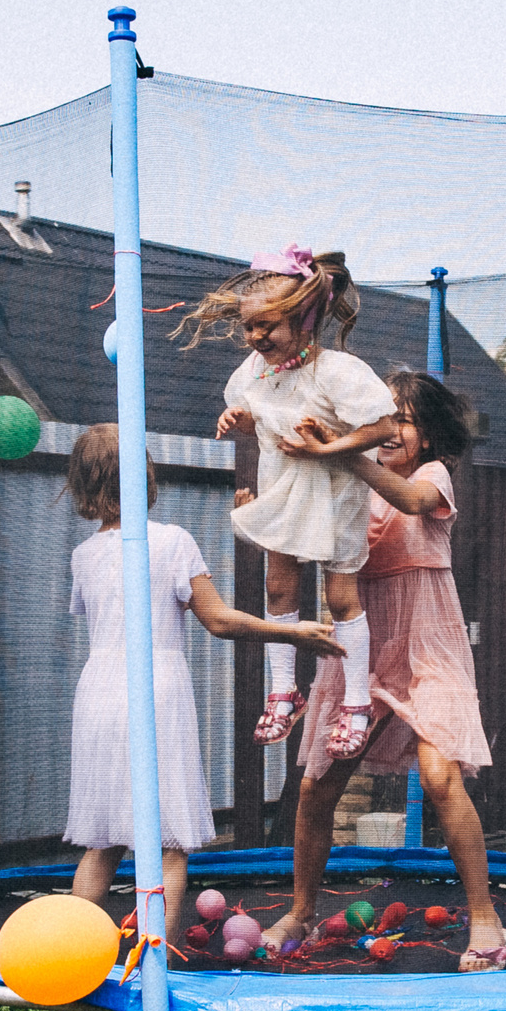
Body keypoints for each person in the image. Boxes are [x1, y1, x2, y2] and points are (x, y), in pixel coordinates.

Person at [265, 372, 506, 972]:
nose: (393, 429)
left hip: (429, 646)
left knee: (439, 776)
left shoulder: (431, 477)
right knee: (316, 785)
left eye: (405, 419)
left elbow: (411, 503)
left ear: (428, 436)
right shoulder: (351, 487)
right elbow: (303, 535)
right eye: (384, 418)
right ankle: (301, 911)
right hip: (363, 648)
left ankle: (486, 918)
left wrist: (347, 455)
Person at [62, 426, 342, 947]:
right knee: (169, 844)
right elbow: (218, 621)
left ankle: (67, 952)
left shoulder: (84, 554)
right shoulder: (171, 541)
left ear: (81, 485)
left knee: (102, 843)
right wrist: (290, 631)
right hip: (154, 689)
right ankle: (156, 966)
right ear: (144, 476)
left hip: (98, 691)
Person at [188, 245, 399, 761]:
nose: (257, 337)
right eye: (250, 327)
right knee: (278, 586)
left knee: (341, 596)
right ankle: (285, 690)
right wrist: (239, 421)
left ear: (303, 319)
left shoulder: (338, 372)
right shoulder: (253, 375)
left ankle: (355, 703)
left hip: (332, 494)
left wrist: (326, 446)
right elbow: (255, 414)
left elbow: (384, 427)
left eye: (269, 325)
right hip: (282, 487)